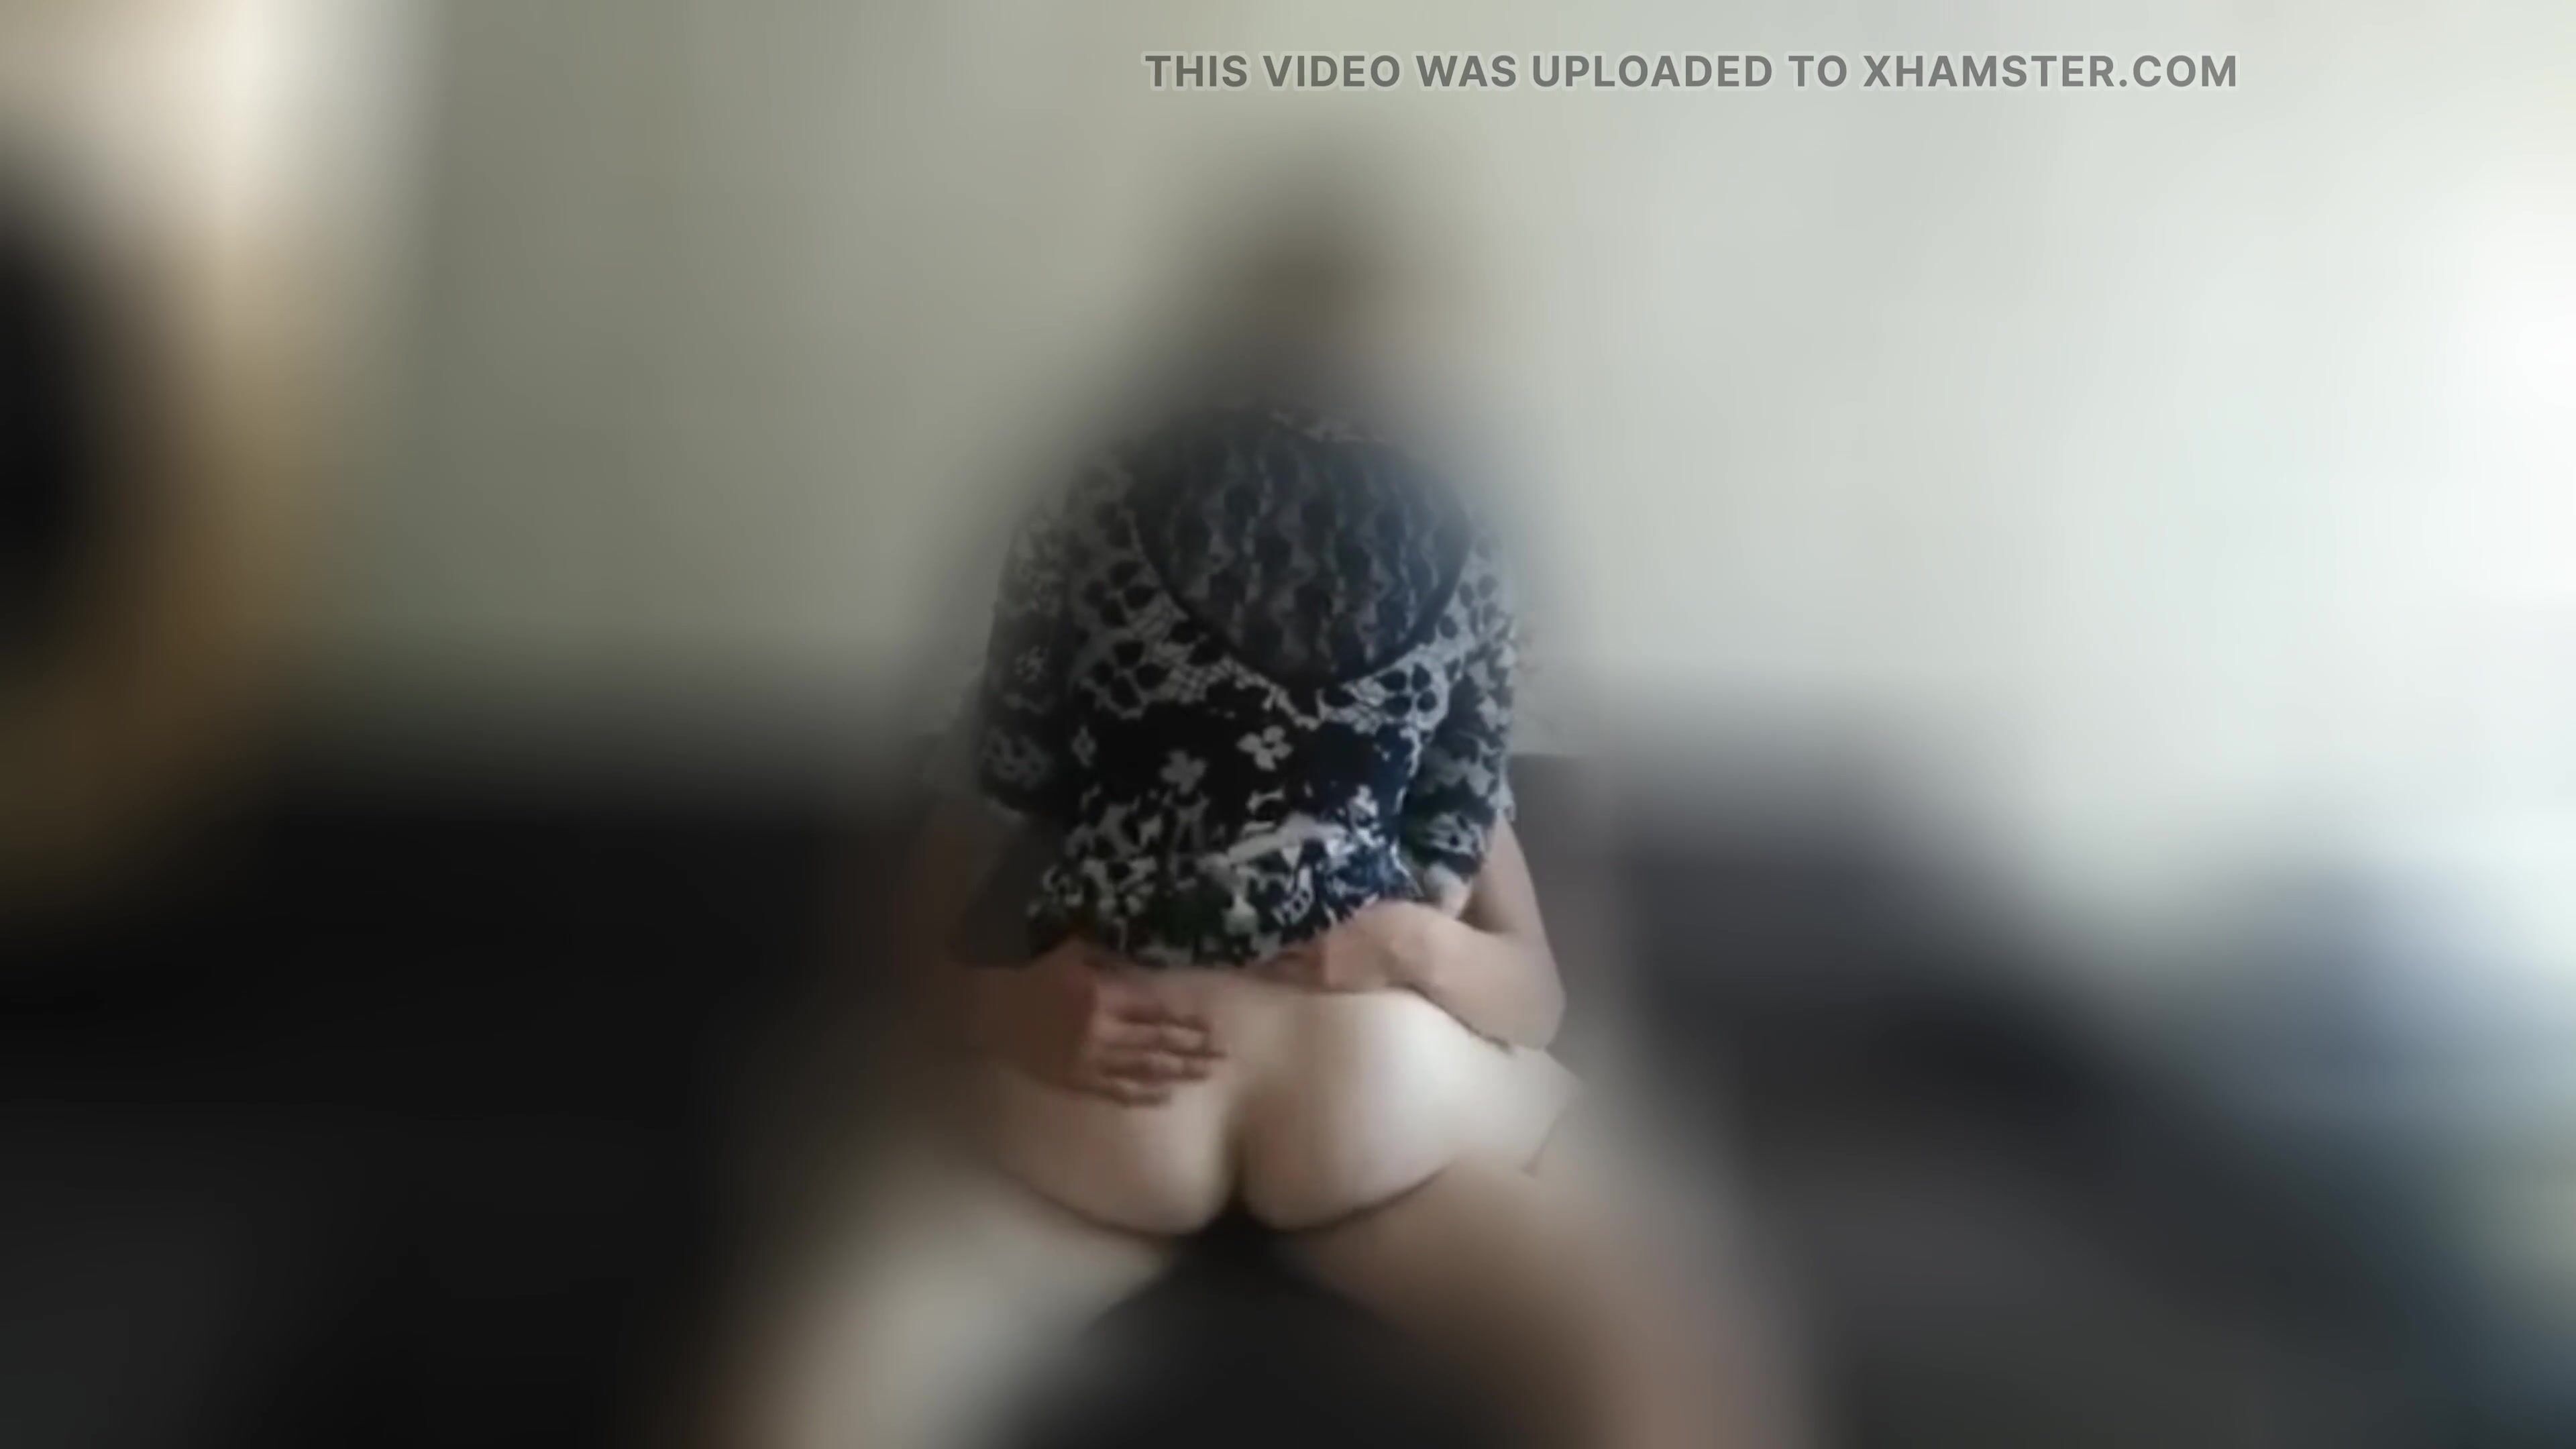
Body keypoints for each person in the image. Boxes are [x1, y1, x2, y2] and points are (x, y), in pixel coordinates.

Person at [700, 165, 1802, 1449]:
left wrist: (1005, 1010)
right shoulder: (1449, 598)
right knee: (1651, 1344)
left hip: (1111, 1086)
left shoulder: (1091, 562)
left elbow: (927, 908)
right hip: (1361, 1091)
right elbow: (1549, 993)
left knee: (833, 1351)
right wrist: (1399, 951)